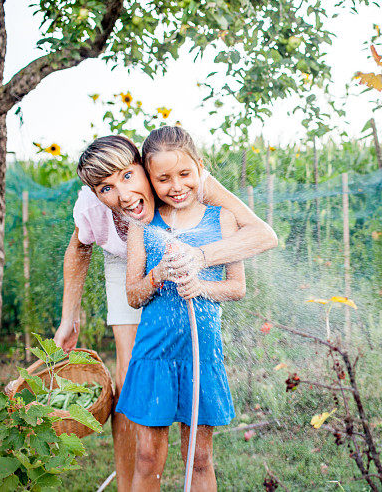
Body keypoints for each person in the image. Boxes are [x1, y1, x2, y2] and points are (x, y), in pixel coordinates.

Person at [53, 134, 276, 491]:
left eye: (128, 177)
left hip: (189, 264)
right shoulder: (100, 207)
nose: (123, 195)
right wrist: (70, 317)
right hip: (123, 261)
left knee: (199, 451)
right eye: (107, 187)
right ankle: (129, 482)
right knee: (129, 378)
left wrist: (199, 262)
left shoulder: (191, 184)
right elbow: (84, 255)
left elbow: (261, 239)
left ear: (144, 169)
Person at [117, 126, 243, 491]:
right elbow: (133, 295)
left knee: (199, 459)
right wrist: (157, 275)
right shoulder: (144, 225)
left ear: (199, 168)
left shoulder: (221, 219)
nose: (176, 186)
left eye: (185, 174)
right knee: (147, 458)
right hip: (154, 354)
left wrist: (201, 285)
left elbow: (237, 287)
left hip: (200, 356)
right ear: (149, 179)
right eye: (164, 178)